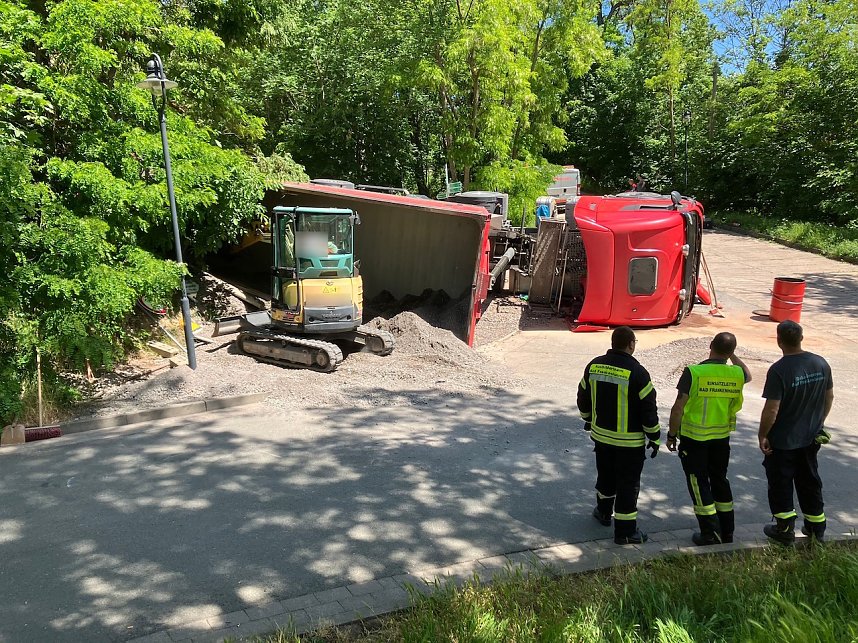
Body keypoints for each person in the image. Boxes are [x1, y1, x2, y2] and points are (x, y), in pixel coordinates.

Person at [577, 326, 661, 545]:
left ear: (613, 343)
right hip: (629, 443)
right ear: (631, 344)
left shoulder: (594, 365)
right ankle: (625, 532)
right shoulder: (638, 372)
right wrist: (655, 437)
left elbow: (583, 397)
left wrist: (588, 419)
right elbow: (648, 410)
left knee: (605, 476)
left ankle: (603, 512)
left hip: (601, 438)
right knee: (628, 484)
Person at [666, 333, 751, 545]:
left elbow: (678, 408)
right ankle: (727, 531)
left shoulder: (694, 372)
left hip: (694, 439)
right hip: (721, 438)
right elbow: (748, 374)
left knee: (698, 482)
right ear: (731, 352)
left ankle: (709, 533)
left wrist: (671, 435)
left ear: (710, 346)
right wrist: (732, 355)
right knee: (720, 480)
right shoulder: (736, 374)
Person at [759, 320, 834, 544]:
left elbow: (772, 409)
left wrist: (763, 435)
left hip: (782, 441)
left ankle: (784, 530)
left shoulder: (779, 370)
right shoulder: (820, 363)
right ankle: (816, 528)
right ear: (801, 338)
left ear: (779, 341)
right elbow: (828, 397)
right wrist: (818, 422)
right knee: (810, 481)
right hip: (810, 438)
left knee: (781, 484)